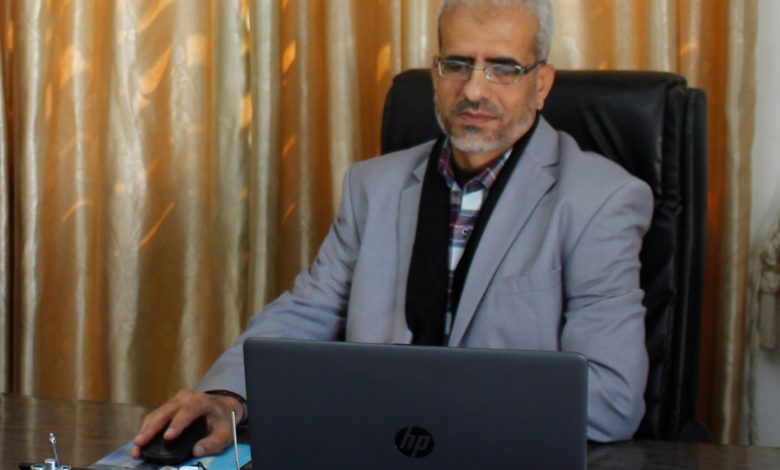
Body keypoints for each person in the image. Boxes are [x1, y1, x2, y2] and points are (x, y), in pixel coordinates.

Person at [133, 0, 653, 459]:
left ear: (541, 84)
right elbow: (306, 313)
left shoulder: (600, 201)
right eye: (457, 64)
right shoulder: (373, 187)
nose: (474, 89)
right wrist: (227, 397)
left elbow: (611, 400)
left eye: (503, 68)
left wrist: (423, 401)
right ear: (435, 74)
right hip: (375, 453)